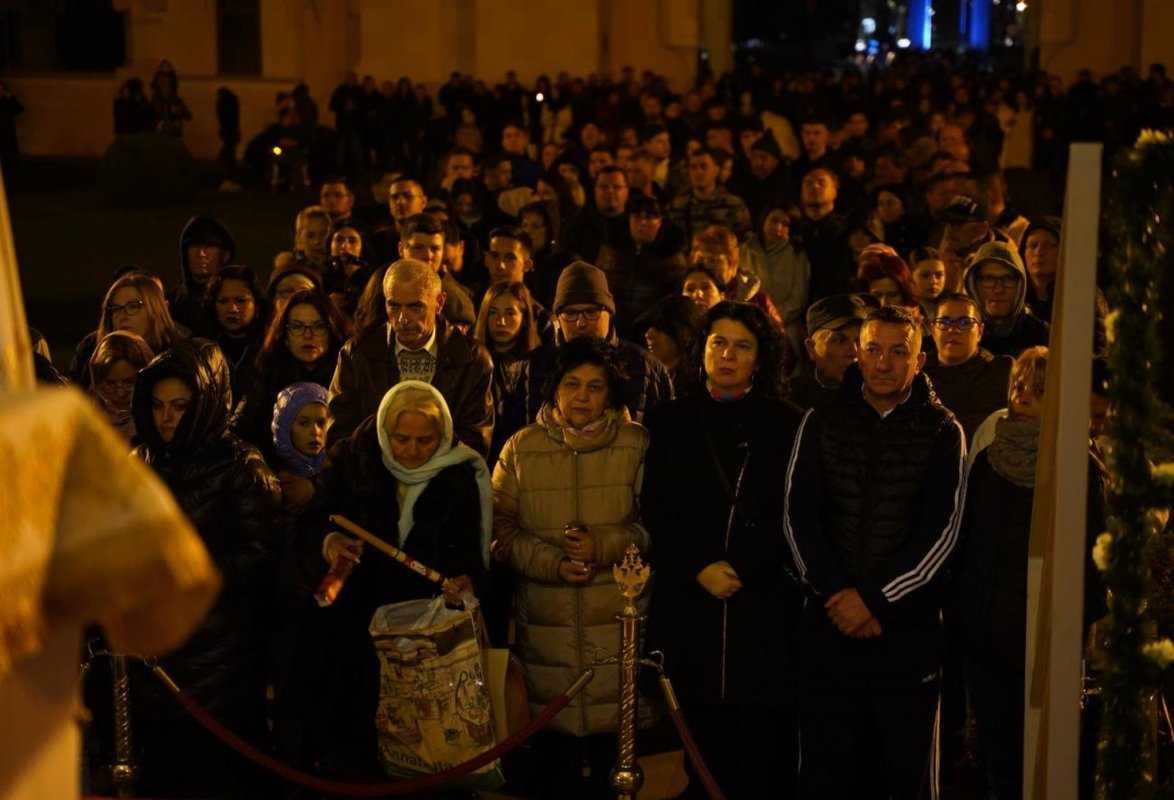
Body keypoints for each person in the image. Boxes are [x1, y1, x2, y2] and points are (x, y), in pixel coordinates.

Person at [784, 305, 967, 800]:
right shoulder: (821, 420)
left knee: (906, 774)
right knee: (824, 771)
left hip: (907, 632)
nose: (884, 363)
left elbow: (942, 533)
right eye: (873, 350)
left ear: (919, 361)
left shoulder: (942, 429)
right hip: (829, 626)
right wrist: (837, 595)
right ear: (858, 355)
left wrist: (875, 602)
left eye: (898, 352)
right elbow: (798, 516)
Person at [286, 381, 491, 780]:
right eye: (401, 439)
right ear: (384, 431)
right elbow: (314, 523)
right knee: (355, 750)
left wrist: (467, 580)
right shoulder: (353, 460)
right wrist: (331, 542)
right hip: (356, 631)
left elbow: (471, 552)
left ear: (442, 436)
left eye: (425, 441)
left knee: (423, 756)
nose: (411, 452)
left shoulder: (460, 472)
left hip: (423, 638)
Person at [642, 301, 804, 799]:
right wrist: (698, 567)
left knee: (756, 748)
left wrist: (745, 569)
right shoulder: (671, 419)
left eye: (742, 345)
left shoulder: (788, 422)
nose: (728, 355)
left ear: (761, 357)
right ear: (702, 350)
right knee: (700, 739)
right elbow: (657, 507)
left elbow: (795, 510)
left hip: (761, 603)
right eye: (719, 343)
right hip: (691, 601)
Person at [492, 337, 650, 799]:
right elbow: (499, 531)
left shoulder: (637, 445)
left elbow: (658, 526)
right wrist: (552, 563)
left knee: (611, 769)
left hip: (616, 625)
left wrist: (604, 545)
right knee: (553, 770)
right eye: (571, 384)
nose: (582, 396)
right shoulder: (521, 448)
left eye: (595, 386)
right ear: (554, 389)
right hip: (547, 629)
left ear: (611, 394)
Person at [127, 338, 282, 798]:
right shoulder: (141, 460)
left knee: (212, 776)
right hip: (154, 658)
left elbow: (261, 554)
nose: (166, 417)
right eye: (158, 405)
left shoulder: (241, 466)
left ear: (205, 403)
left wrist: (189, 569)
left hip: (218, 663)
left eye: (179, 406)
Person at [954, 346, 1105, 800]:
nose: (1022, 394)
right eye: (1019, 384)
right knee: (999, 753)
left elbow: (1093, 557)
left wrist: (1081, 629)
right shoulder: (988, 461)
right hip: (987, 632)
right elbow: (969, 544)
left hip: (1043, 635)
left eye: (1038, 388)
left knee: (1044, 752)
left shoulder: (1078, 467)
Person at [327, 259, 495, 455]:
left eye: (415, 307)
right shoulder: (357, 353)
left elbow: (474, 443)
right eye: (394, 306)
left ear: (439, 303)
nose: (403, 319)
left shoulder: (473, 359)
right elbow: (339, 437)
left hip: (446, 472)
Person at [499, 261, 673, 442]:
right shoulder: (528, 369)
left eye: (591, 312)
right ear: (558, 317)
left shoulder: (647, 368)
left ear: (609, 312)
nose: (581, 323)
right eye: (570, 313)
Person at [233, 287, 351, 464]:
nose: (308, 335)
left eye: (318, 326)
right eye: (297, 326)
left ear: (332, 331)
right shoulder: (266, 372)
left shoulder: (348, 375)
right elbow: (243, 434)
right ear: (285, 335)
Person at [923, 293, 1014, 442]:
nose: (953, 330)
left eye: (965, 322)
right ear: (933, 330)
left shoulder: (1000, 372)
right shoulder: (918, 374)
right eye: (944, 322)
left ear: (980, 332)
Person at [594, 194, 687, 338]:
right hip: (613, 326)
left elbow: (675, 297)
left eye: (649, 217)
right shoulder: (613, 248)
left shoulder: (670, 254)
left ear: (660, 221)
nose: (642, 222)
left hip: (652, 331)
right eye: (636, 216)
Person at [69, 272, 183, 388]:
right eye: (115, 309)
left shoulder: (177, 355)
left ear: (155, 309)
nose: (122, 316)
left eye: (133, 306)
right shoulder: (91, 350)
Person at [740, 205, 810, 357]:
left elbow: (798, 297)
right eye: (774, 220)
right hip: (748, 325)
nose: (778, 227)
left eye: (785, 224)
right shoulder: (745, 250)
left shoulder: (797, 255)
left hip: (785, 327)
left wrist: (772, 317)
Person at [789, 293, 879, 410]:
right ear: (811, 348)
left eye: (860, 341)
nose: (853, 352)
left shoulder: (883, 396)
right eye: (839, 340)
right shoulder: (790, 400)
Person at [963, 240, 1050, 358]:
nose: (999, 289)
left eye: (1008, 279)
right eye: (988, 279)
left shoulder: (1044, 336)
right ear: (974, 285)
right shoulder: (961, 334)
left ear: (1020, 284)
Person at [197, 265, 270, 401]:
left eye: (241, 300)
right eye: (223, 301)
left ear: (256, 303)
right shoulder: (201, 349)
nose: (232, 308)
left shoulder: (271, 348)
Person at [665, 147, 753, 243]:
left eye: (703, 167)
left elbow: (746, 240)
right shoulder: (677, 206)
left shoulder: (732, 204)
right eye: (693, 167)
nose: (698, 172)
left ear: (716, 170)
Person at [269, 381, 330, 513]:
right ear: (286, 427)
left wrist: (315, 495)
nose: (315, 432)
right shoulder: (269, 474)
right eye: (304, 423)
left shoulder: (339, 471)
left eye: (321, 423)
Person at [167, 216, 235, 329]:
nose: (201, 254)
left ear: (225, 254)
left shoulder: (237, 299)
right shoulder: (173, 302)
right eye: (194, 246)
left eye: (210, 246)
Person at [87, 331, 155, 440]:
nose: (120, 393)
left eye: (129, 382)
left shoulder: (161, 421)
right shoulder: (83, 422)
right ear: (97, 381)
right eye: (110, 383)